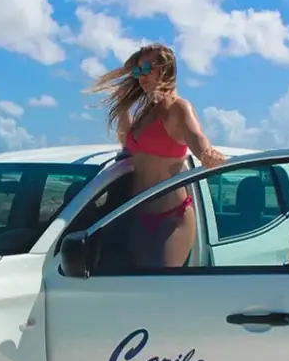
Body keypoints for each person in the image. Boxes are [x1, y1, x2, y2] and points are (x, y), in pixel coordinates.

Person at [86, 43, 227, 269]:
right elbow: (129, 144)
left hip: (171, 219)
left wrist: (207, 153)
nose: (140, 77)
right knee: (137, 291)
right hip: (136, 214)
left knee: (158, 291)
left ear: (165, 68)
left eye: (146, 69)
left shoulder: (178, 108)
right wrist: (123, 107)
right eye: (137, 71)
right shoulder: (146, 112)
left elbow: (195, 136)